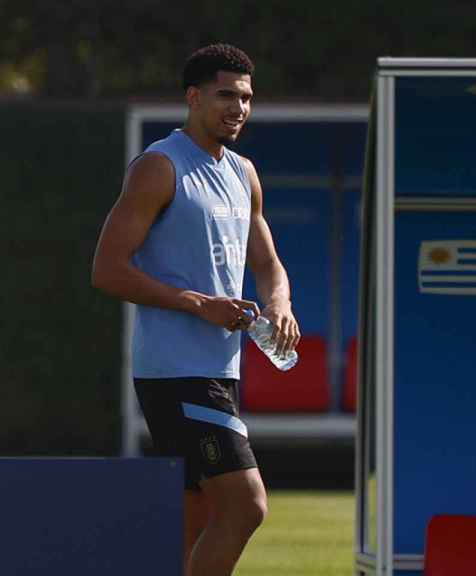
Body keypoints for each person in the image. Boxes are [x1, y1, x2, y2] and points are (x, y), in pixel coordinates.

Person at [91, 43, 300, 576]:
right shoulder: (159, 168)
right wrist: (198, 304)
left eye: (247, 98)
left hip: (219, 369)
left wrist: (279, 304)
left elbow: (269, 264)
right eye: (226, 94)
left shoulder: (243, 173)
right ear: (193, 97)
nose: (239, 108)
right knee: (246, 505)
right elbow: (107, 269)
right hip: (175, 373)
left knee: (193, 520)